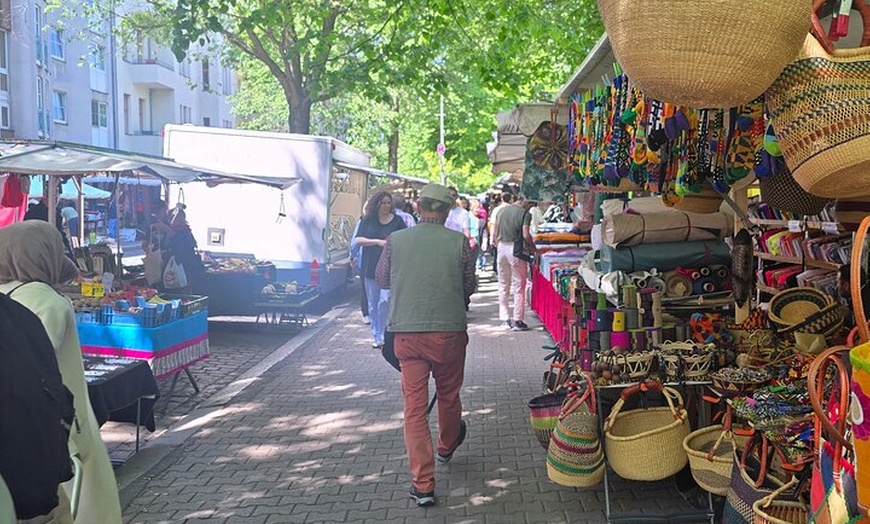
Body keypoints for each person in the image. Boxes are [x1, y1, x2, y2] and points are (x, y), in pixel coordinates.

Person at [0, 221, 122, 524]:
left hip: (20, 428)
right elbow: (35, 368)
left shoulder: (5, 295)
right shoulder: (46, 299)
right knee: (76, 506)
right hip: (57, 424)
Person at [375, 183, 476, 508]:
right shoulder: (460, 243)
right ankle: (447, 446)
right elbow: (469, 284)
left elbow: (381, 279)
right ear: (447, 210)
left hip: (407, 332)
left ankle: (423, 485)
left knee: (414, 411)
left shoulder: (395, 240)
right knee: (448, 395)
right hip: (448, 333)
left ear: (419, 207)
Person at [354, 191, 406, 347]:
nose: (386, 206)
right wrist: (377, 242)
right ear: (377, 204)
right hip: (371, 266)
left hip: (391, 266)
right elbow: (357, 239)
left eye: (388, 203)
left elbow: (404, 239)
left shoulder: (397, 221)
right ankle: (377, 336)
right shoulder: (367, 220)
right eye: (383, 203)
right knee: (373, 302)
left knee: (386, 300)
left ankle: (387, 332)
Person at [493, 194, 536, 331]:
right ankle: (518, 320)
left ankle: (504, 319)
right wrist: (532, 247)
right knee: (519, 285)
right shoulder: (525, 214)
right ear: (526, 200)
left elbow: (495, 232)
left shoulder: (501, 210)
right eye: (530, 204)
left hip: (501, 248)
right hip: (516, 250)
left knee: (503, 285)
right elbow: (525, 234)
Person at [164, 206, 206, 294]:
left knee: (182, 291)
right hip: (190, 268)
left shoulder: (180, 233)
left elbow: (180, 253)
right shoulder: (186, 231)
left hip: (183, 268)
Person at [349, 214, 370, 324]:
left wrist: (352, 255)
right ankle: (367, 313)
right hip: (366, 261)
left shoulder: (364, 221)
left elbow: (354, 241)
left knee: (365, 289)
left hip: (365, 261)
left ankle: (366, 314)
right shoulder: (364, 221)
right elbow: (356, 241)